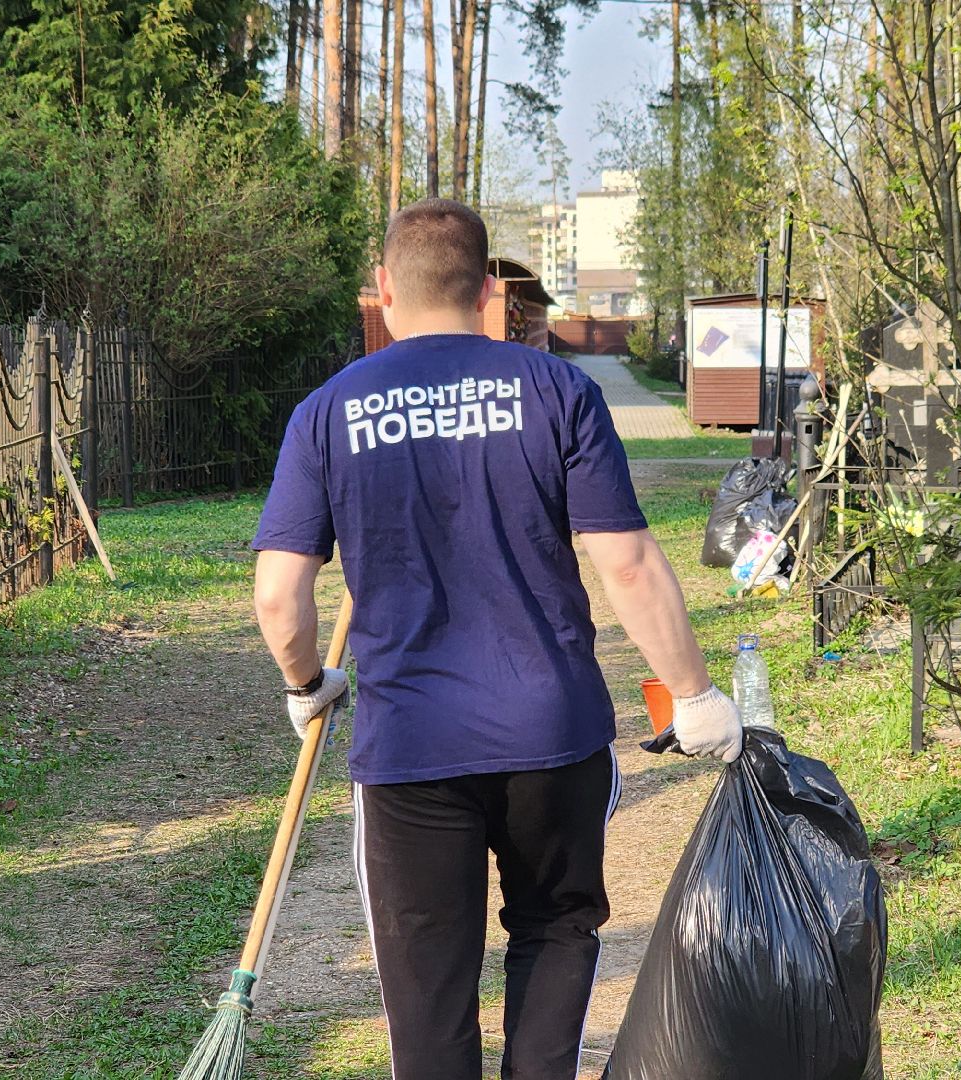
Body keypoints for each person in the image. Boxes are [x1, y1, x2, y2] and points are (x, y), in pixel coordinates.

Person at [250, 198, 742, 1080]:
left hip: (410, 750)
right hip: (551, 737)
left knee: (426, 984)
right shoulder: (558, 392)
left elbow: (281, 598)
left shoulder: (327, 413)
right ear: (487, 292)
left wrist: (306, 683)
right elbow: (625, 564)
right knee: (555, 935)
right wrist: (696, 696)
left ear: (384, 291)